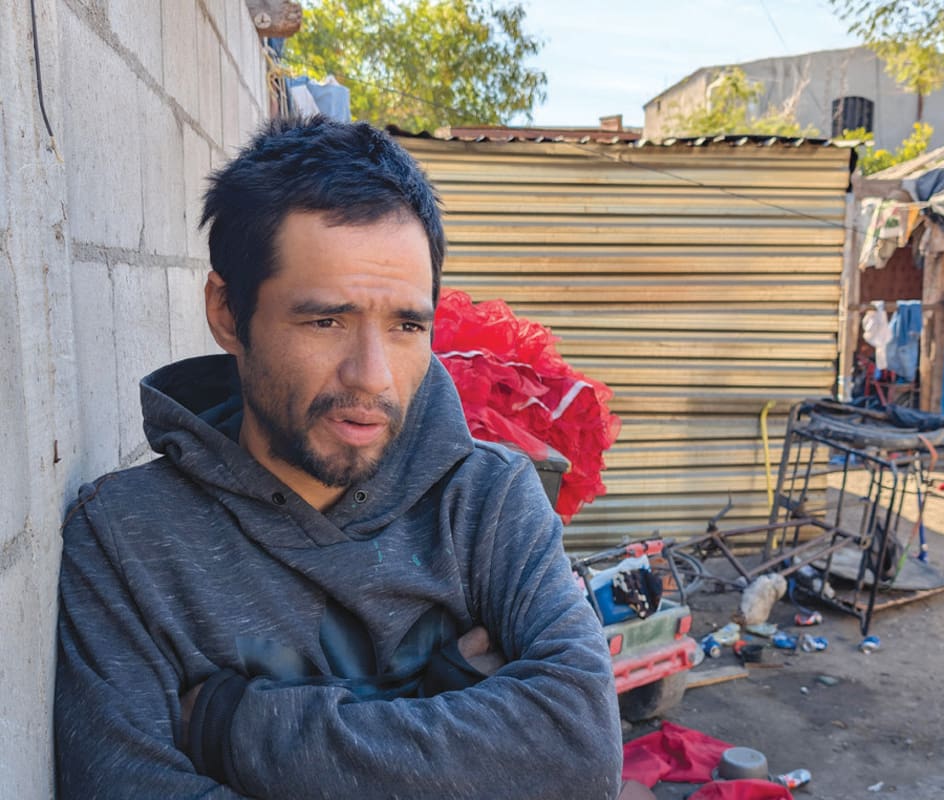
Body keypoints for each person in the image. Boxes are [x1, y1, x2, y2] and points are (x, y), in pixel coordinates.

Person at [55, 116, 623, 799]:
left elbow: (578, 753)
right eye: (326, 320)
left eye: (407, 326)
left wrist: (226, 725)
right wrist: (449, 712)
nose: (373, 376)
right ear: (229, 314)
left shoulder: (488, 501)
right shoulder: (127, 539)